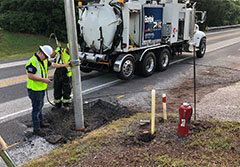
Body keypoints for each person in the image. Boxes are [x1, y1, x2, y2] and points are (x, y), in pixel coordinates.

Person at [25, 45, 70, 137]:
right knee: (36, 109)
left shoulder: (43, 60)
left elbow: (53, 64)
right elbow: (30, 75)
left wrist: (64, 65)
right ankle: (36, 129)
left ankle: (40, 122)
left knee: (40, 106)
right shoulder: (32, 62)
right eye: (46, 56)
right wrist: (43, 80)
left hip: (40, 89)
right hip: (34, 90)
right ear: (41, 53)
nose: (46, 59)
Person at [51, 44, 72, 111]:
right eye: (69, 49)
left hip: (67, 74)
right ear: (67, 48)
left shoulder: (73, 55)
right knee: (57, 88)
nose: (70, 51)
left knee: (66, 90)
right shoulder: (61, 51)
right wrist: (56, 50)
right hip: (58, 72)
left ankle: (66, 105)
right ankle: (57, 104)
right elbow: (52, 56)